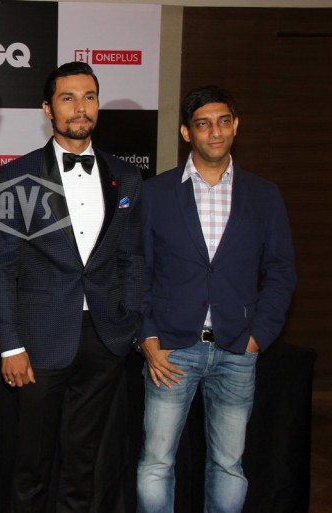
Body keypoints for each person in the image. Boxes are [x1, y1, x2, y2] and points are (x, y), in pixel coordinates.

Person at [0, 61, 144, 512]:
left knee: (83, 466)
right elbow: (1, 265)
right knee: (31, 465)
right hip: (38, 342)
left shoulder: (125, 176)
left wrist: (128, 321)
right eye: (68, 98)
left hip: (104, 339)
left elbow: (132, 258)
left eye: (89, 97)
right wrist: (10, 344)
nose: (80, 108)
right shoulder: (16, 176)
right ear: (47, 108)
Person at [136, 86, 296, 513]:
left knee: (229, 465)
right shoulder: (156, 193)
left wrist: (257, 337)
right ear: (186, 132)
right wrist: (148, 337)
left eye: (224, 121)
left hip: (237, 349)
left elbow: (281, 270)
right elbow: (138, 270)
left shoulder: (264, 195)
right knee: (156, 463)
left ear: (236, 126)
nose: (216, 132)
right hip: (171, 351)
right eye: (204, 124)